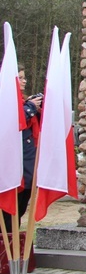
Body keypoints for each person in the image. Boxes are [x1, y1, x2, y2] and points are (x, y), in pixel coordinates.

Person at [1, 66, 42, 230]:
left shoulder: (22, 102)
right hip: (12, 168)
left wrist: (35, 107)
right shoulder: (5, 101)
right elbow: (10, 123)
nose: (24, 80)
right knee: (8, 216)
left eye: (24, 77)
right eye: (20, 77)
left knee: (19, 210)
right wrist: (29, 108)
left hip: (26, 168)